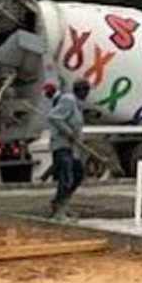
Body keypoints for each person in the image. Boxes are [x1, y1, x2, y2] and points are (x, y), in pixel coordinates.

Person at [47, 79, 90, 220]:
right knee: (67, 177)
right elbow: (53, 117)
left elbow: (77, 127)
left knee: (78, 174)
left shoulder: (78, 104)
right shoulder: (68, 100)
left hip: (72, 148)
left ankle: (61, 204)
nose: (87, 94)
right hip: (61, 145)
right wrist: (68, 132)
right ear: (81, 90)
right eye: (86, 91)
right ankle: (59, 210)